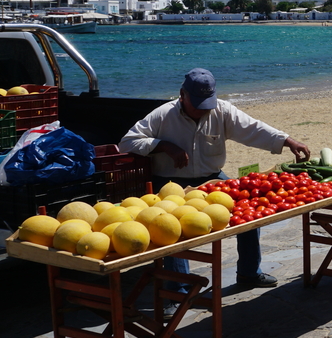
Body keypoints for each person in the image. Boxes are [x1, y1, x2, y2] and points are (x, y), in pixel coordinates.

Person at [120, 68, 311, 292]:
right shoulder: (162, 115)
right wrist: (163, 146)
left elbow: (253, 128)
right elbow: (128, 142)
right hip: (171, 183)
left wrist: (288, 141)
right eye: (197, 103)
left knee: (247, 212)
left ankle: (249, 273)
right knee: (172, 228)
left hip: (212, 179)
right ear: (182, 95)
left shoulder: (222, 110)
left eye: (207, 103)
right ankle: (177, 290)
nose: (203, 110)